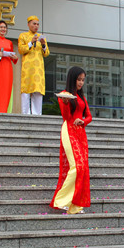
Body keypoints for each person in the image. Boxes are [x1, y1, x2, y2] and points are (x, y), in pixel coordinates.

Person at [50, 66, 92, 214]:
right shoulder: (64, 95)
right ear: (72, 79)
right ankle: (61, 200)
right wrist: (66, 103)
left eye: (83, 80)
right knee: (77, 166)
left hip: (81, 133)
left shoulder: (82, 98)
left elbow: (89, 116)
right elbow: (66, 117)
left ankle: (74, 204)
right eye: (78, 79)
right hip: (69, 130)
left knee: (82, 168)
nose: (81, 83)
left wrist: (83, 122)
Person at [18, 15, 49, 115]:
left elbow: (46, 53)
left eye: (37, 24)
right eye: (34, 24)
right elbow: (21, 50)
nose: (36, 26)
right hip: (27, 69)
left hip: (38, 70)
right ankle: (25, 115)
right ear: (28, 24)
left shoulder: (41, 38)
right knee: (26, 92)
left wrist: (43, 44)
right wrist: (31, 43)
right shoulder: (23, 36)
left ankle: (37, 115)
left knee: (38, 92)